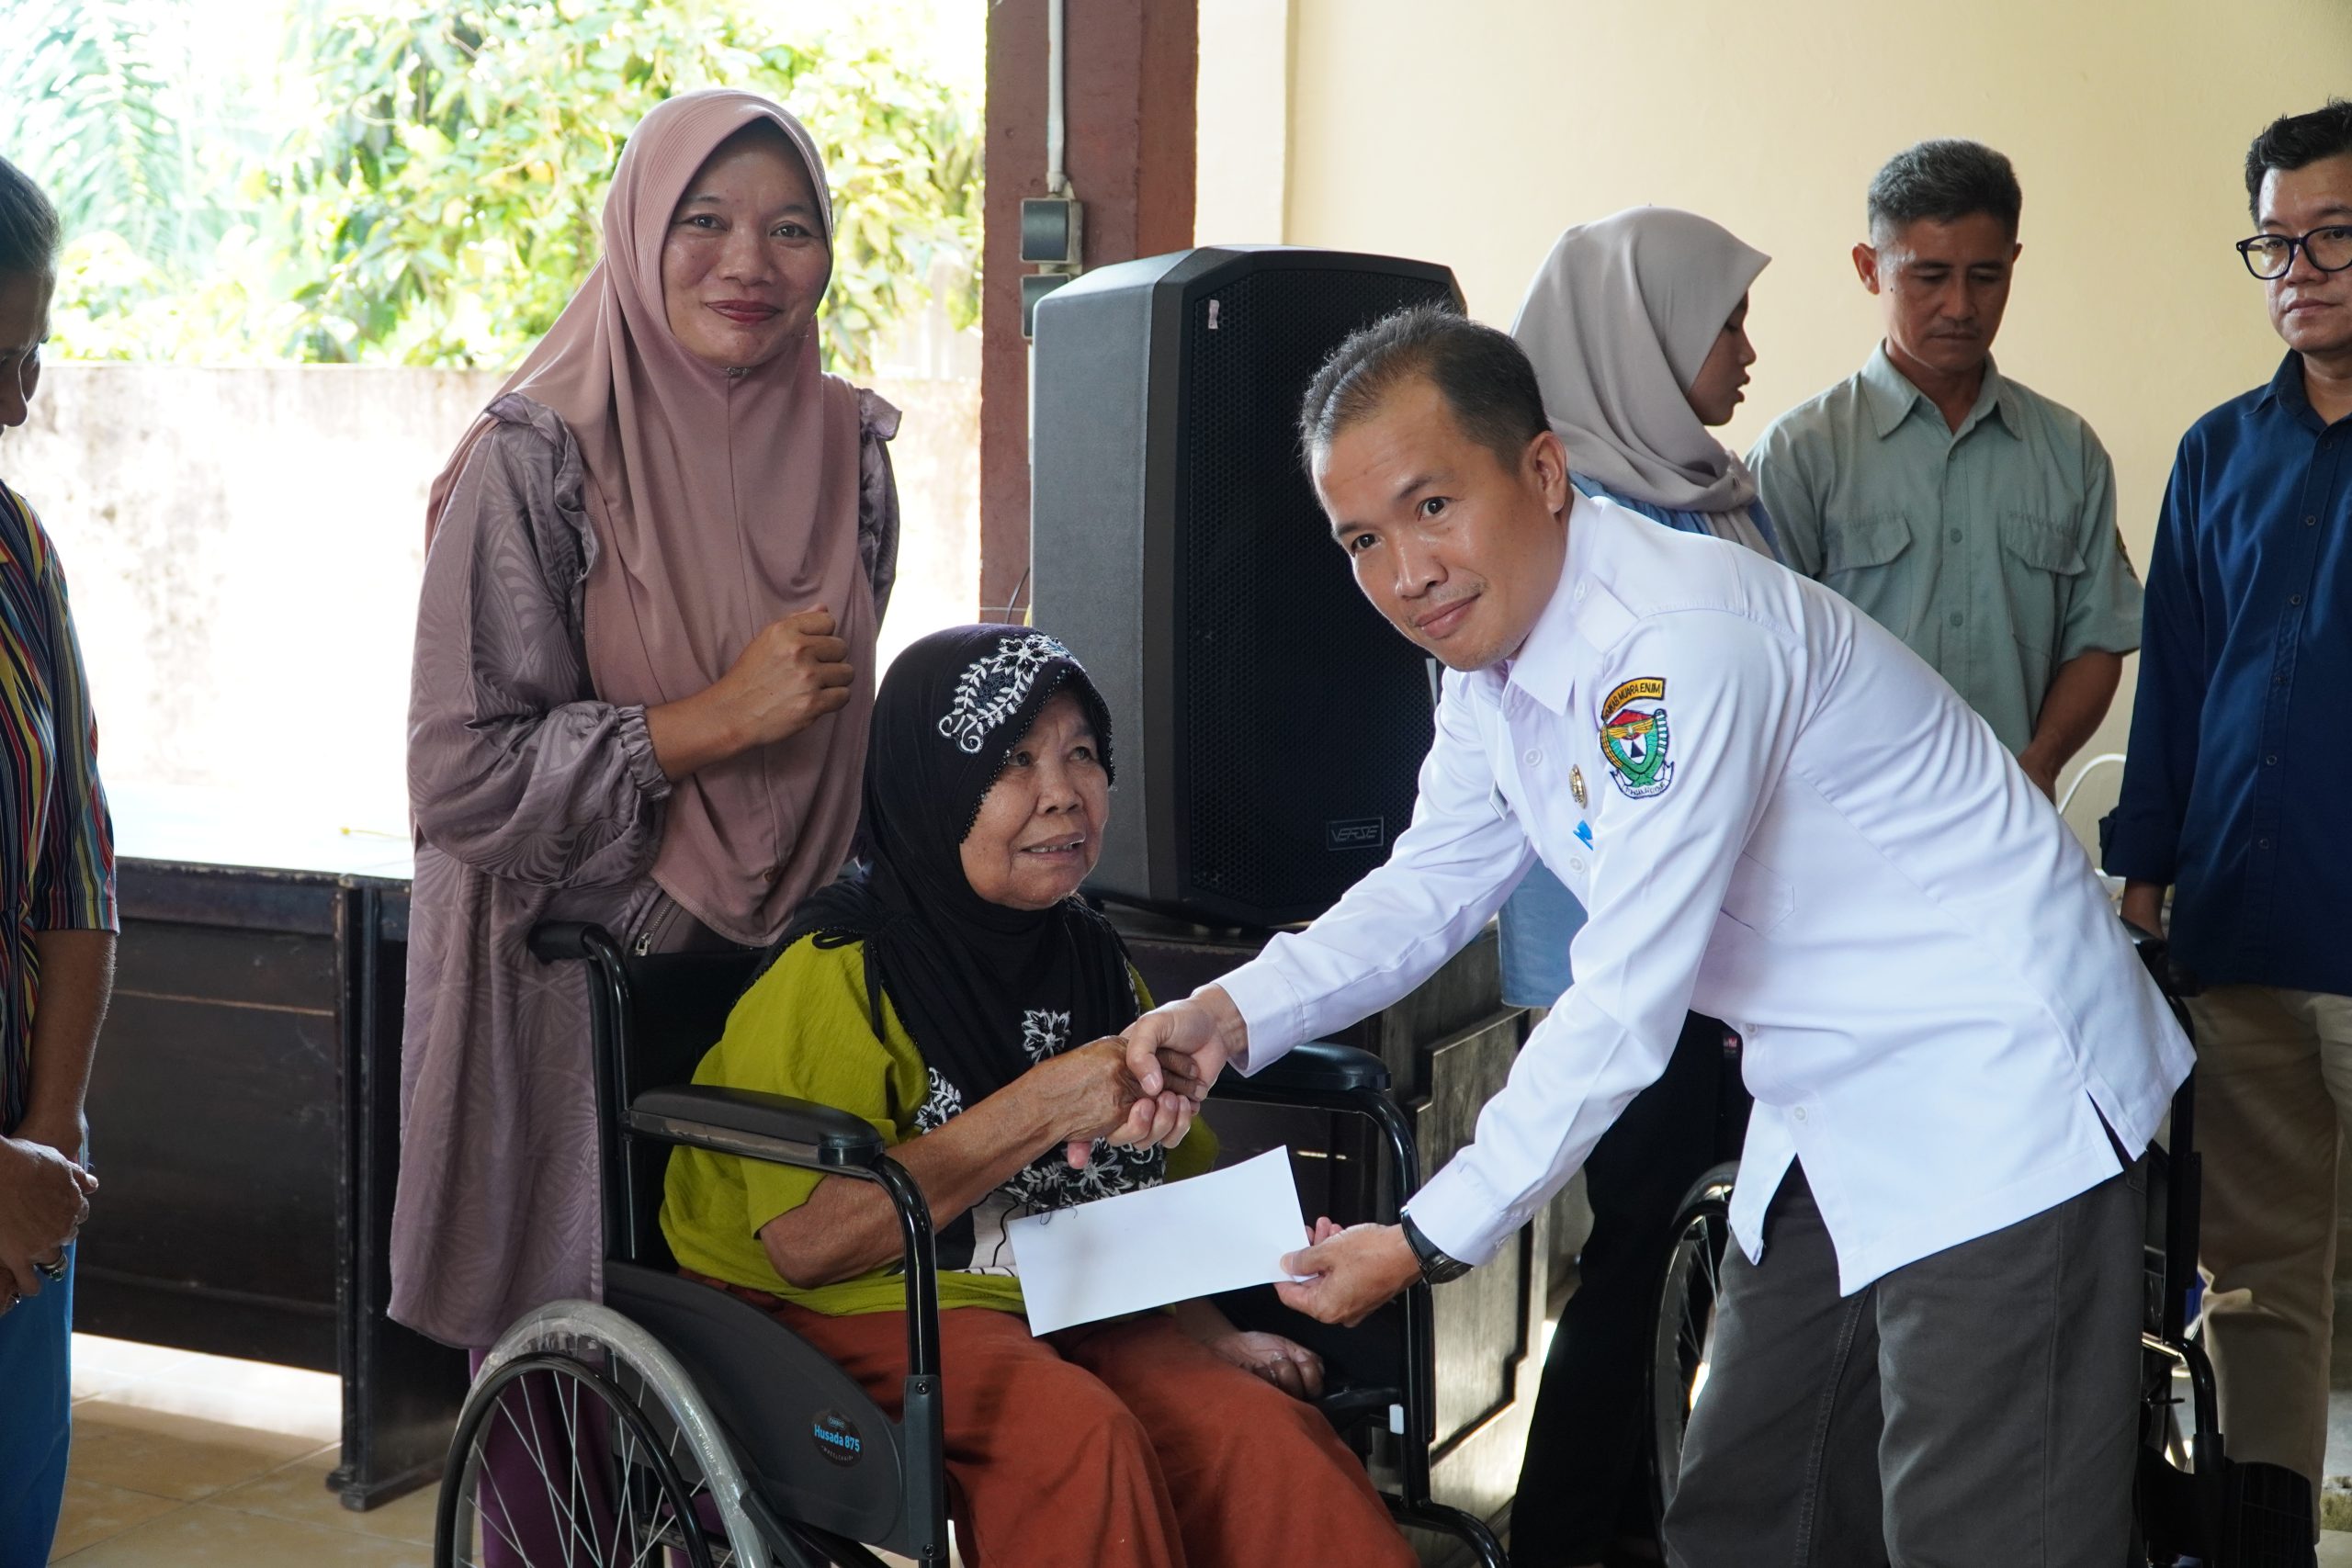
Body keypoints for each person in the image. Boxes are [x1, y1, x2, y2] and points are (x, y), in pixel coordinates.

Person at [1118, 305, 2192, 1563]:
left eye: (1432, 506)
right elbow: (1428, 887)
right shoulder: (1491, 670)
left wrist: (1424, 1234)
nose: (1407, 572)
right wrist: (1225, 1014)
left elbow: (1626, 994)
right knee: (1747, 1513)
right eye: (1362, 538)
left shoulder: (1674, 647)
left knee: (1978, 1531)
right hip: (1830, 1098)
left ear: (1543, 470)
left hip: (1999, 1085)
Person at [394, 91, 899, 1565]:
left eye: (791, 227)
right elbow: (458, 773)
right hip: (575, 991)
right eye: (705, 220)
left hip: (778, 986)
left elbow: (842, 738)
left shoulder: (851, 451)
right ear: (635, 233)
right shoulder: (537, 456)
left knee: (776, 1407)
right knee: (571, 1408)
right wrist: (707, 721)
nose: (750, 261)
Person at [661, 624, 1416, 1568]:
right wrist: (1042, 1107)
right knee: (1078, 1443)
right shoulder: (840, 968)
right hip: (856, 1303)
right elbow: (809, 1245)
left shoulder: (1092, 958)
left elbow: (1141, 1198)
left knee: (1263, 1439)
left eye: (1083, 754)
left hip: (1057, 1284)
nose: (1062, 791)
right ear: (934, 785)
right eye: (1013, 760)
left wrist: (1211, 1334)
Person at [1498, 207, 1774, 1568]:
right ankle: (1565, 1534)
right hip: (1627, 958)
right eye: (1725, 322)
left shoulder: (1719, 493)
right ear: (1646, 338)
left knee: (1694, 1249)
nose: (1747, 352)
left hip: (1743, 955)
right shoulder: (1578, 518)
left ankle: (1634, 1519)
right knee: (1637, 1249)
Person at [2106, 98, 2352, 1538]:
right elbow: (2180, 682)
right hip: (2242, 933)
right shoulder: (2216, 453)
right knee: (2255, 1271)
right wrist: (2145, 873)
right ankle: (2265, 1530)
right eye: (2276, 240)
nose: (2298, 268)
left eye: (2334, 235)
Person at [1750, 138, 2141, 799]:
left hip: (2009, 818)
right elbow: (1759, 658)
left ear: (2014, 264)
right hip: (1846, 827)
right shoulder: (1798, 455)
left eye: (1986, 277)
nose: (1960, 306)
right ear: (1869, 268)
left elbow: (2098, 637)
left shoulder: (2069, 451)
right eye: (1929, 277)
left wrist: (2040, 762)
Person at [0, 153, 118, 1566]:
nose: (17, 404)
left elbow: (76, 867)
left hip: (22, 1211)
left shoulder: (19, 554)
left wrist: (47, 1139)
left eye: (31, 356)